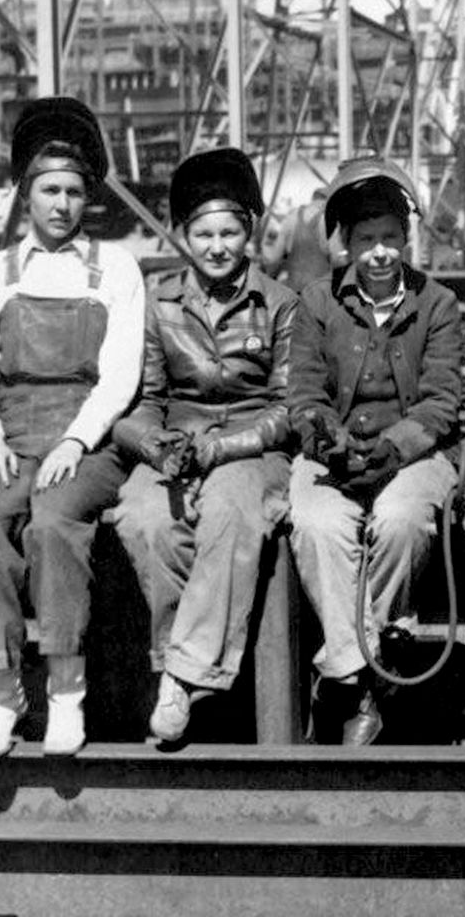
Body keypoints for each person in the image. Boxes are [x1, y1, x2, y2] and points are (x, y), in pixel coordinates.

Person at [0, 97, 145, 757]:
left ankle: (66, 690)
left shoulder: (114, 267)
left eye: (72, 191)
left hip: (87, 435)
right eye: (48, 190)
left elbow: (120, 374)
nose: (61, 204)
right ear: (26, 196)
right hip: (12, 433)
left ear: (87, 197)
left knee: (54, 522)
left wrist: (76, 440)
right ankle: (2, 694)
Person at [109, 148, 298, 744]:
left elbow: (288, 407)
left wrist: (226, 449)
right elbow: (142, 402)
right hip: (180, 441)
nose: (217, 246)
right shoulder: (158, 301)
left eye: (231, 232)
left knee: (227, 511)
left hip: (252, 447)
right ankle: (186, 669)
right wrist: (160, 449)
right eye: (203, 234)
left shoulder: (280, 303)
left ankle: (180, 676)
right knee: (144, 519)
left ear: (249, 232)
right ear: (185, 237)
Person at [286, 151, 464, 745]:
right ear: (346, 244)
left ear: (406, 239)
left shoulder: (437, 304)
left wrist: (392, 448)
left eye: (391, 237)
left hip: (412, 457)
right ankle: (361, 679)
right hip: (334, 457)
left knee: (401, 521)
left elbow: (441, 402)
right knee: (314, 524)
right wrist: (323, 436)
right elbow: (305, 394)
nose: (380, 252)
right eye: (366, 239)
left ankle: (340, 671)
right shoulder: (316, 304)